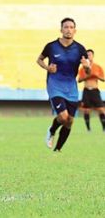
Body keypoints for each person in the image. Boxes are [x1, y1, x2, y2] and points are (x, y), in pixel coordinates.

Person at [37, 17, 90, 152]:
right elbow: (39, 60)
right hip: (55, 85)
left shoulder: (80, 49)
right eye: (66, 27)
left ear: (75, 30)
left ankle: (57, 150)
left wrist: (86, 67)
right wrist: (47, 68)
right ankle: (52, 130)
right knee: (63, 116)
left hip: (71, 87)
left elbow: (88, 72)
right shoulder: (51, 46)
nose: (68, 30)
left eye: (71, 27)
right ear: (61, 29)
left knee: (70, 121)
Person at [77, 49, 105, 132]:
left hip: (95, 90)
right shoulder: (83, 68)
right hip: (86, 90)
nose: (89, 56)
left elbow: (103, 79)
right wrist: (87, 77)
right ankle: (88, 129)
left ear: (93, 56)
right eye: (87, 55)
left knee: (101, 109)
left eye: (90, 54)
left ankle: (104, 128)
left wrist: (96, 76)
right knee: (86, 110)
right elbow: (79, 80)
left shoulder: (97, 67)